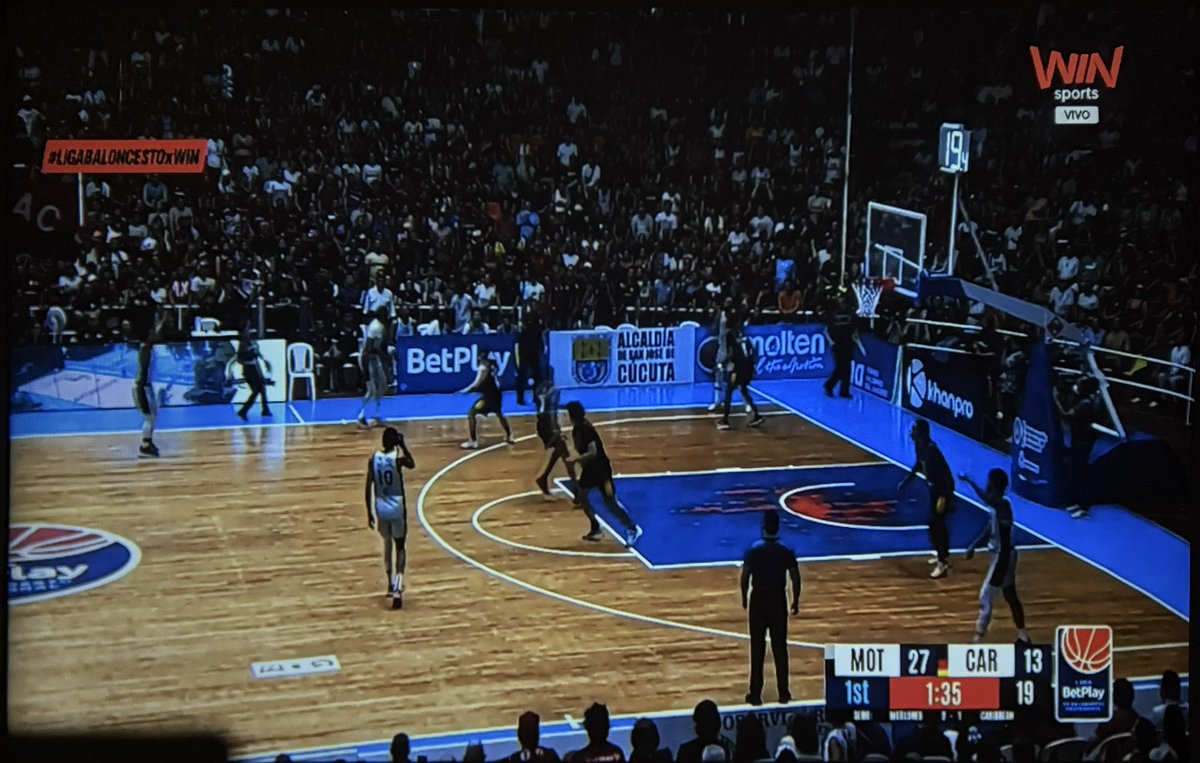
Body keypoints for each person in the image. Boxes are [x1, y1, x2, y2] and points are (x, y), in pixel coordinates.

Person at [961, 468, 1031, 643]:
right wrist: (974, 545)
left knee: (985, 595)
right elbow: (989, 530)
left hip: (1003, 556)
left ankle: (978, 637)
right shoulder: (997, 508)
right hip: (1002, 554)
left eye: (989, 481)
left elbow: (986, 498)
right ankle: (1023, 637)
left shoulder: (1002, 505)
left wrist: (969, 481)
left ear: (993, 484)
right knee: (1010, 595)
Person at [740, 511, 801, 706]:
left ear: (763, 527)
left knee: (757, 648)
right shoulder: (785, 550)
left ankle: (755, 694)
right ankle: (784, 692)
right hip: (777, 601)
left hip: (758, 601)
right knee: (780, 648)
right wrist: (795, 600)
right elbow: (795, 577)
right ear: (778, 527)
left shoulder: (754, 550)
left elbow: (745, 576)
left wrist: (744, 598)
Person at [564, 401, 642, 546]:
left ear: (572, 415)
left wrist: (576, 459)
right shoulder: (576, 430)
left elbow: (593, 452)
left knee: (611, 503)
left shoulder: (587, 429)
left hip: (602, 472)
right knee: (582, 496)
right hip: (590, 470)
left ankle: (633, 528)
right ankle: (595, 527)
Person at [898, 419, 956, 579]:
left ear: (921, 433)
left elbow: (946, 477)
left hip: (942, 491)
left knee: (937, 523)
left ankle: (943, 563)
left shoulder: (932, 452)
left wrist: (948, 497)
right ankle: (942, 554)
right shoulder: (920, 447)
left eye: (914, 429)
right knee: (935, 523)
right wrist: (907, 480)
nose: (911, 432)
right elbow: (918, 464)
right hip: (934, 489)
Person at [365, 427, 415, 608]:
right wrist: (403, 445)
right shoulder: (397, 458)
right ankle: (398, 587)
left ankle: (389, 582)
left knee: (387, 544)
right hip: (396, 506)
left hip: (381, 506)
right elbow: (412, 463)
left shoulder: (374, 459)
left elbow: (368, 487)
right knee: (400, 546)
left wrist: (369, 512)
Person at [1053, 374, 1101, 518]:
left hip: (1083, 442)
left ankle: (1081, 505)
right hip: (1080, 440)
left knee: (1079, 473)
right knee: (1077, 472)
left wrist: (1056, 399)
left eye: (1079, 385)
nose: (1075, 387)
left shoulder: (1086, 404)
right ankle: (1077, 502)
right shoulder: (1085, 400)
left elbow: (1066, 414)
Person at [533, 367, 580, 503]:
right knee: (566, 456)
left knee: (559, 452)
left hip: (552, 425)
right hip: (545, 426)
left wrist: (566, 407)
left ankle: (543, 479)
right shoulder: (541, 390)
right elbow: (542, 412)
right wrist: (555, 430)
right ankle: (577, 492)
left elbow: (553, 408)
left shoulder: (553, 389)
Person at [459, 350, 514, 449]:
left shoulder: (483, 368)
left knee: (472, 413)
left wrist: (466, 391)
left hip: (487, 398)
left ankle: (473, 441)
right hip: (497, 395)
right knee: (498, 413)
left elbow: (478, 383)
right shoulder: (494, 366)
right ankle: (510, 435)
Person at [716, 325, 765, 430]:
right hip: (748, 368)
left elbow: (731, 354)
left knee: (729, 391)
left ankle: (725, 420)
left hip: (738, 369)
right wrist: (752, 365)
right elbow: (754, 353)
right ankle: (757, 415)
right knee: (743, 390)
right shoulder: (744, 337)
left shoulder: (729, 336)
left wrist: (722, 364)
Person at [133, 319, 167, 458]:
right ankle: (145, 445)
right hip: (143, 387)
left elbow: (157, 333)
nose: (156, 334)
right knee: (149, 417)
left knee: (153, 415)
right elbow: (144, 371)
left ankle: (148, 442)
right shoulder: (145, 350)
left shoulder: (147, 347)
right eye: (152, 333)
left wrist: (163, 318)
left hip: (146, 386)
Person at [357, 307, 391, 428]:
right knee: (371, 390)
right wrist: (366, 371)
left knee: (383, 386)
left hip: (375, 359)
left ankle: (376, 415)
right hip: (368, 359)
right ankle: (361, 416)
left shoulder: (381, 326)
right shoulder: (375, 327)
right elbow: (368, 349)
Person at [823, 294, 859, 398]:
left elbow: (854, 329)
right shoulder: (833, 315)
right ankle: (829, 385)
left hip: (848, 343)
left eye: (844, 302)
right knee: (840, 367)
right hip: (837, 344)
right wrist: (832, 343)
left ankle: (844, 391)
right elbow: (826, 330)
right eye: (841, 302)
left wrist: (855, 339)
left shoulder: (851, 314)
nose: (843, 304)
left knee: (847, 367)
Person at [235, 329, 272, 421]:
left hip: (256, 369)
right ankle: (243, 410)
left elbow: (258, 355)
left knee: (262, 389)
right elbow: (240, 360)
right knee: (256, 391)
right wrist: (250, 360)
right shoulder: (243, 345)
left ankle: (265, 410)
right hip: (249, 370)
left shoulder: (253, 343)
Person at [515, 303, 545, 406]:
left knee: (536, 376)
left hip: (534, 353)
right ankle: (520, 398)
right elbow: (520, 343)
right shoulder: (524, 327)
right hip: (525, 353)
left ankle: (535, 396)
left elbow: (540, 337)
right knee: (522, 376)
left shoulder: (537, 325)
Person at [708, 298, 733, 411]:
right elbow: (714, 327)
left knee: (735, 377)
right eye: (726, 302)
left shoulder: (734, 314)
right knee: (718, 374)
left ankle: (745, 403)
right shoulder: (721, 314)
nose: (727, 304)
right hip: (722, 347)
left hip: (732, 347)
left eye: (729, 302)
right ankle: (717, 400)